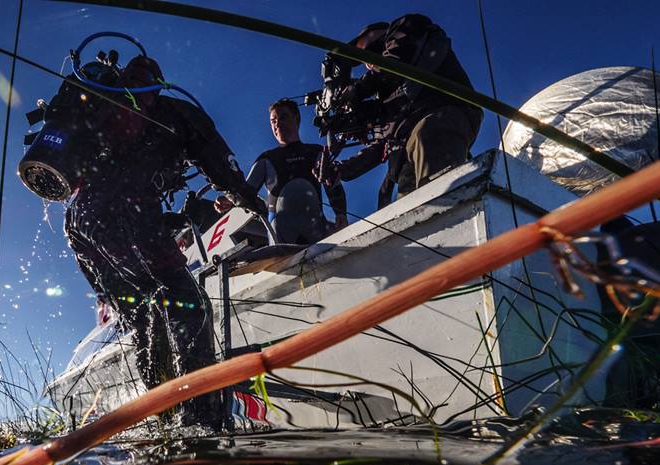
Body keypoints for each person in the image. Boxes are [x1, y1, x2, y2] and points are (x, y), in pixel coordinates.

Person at [61, 55, 264, 427]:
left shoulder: (105, 105)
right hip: (126, 214)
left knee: (143, 315)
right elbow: (221, 165)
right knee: (187, 302)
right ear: (158, 82)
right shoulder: (174, 113)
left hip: (80, 225)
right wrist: (252, 201)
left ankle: (164, 417)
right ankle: (199, 421)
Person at [323, 15, 483, 207]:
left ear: (375, 34)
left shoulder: (407, 26)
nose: (365, 63)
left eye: (361, 50)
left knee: (440, 202)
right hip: (406, 151)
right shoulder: (388, 95)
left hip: (438, 118)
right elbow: (383, 144)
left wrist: (358, 89)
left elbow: (398, 57)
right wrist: (341, 169)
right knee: (410, 214)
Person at [217, 99, 347, 244]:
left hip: (317, 236)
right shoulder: (266, 159)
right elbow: (246, 191)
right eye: (273, 121)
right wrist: (229, 199)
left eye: (283, 117)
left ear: (296, 118)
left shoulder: (315, 151)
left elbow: (333, 183)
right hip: (281, 242)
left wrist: (341, 214)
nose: (277, 124)